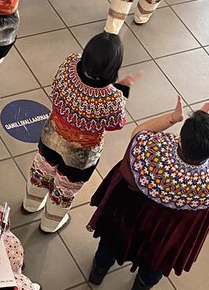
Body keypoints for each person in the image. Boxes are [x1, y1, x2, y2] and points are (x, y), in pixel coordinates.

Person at [87, 96, 209, 290]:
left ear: (181, 140)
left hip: (132, 218)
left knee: (111, 243)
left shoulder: (151, 150)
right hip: (170, 232)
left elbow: (138, 132)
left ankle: (99, 270)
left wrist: (174, 118)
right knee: (157, 259)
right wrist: (206, 128)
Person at [23, 33, 138, 234]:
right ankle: (49, 223)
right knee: (65, 187)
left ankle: (31, 204)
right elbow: (115, 123)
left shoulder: (69, 64)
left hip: (51, 135)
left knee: (42, 169)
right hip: (81, 154)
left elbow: (55, 89)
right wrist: (123, 91)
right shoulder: (112, 98)